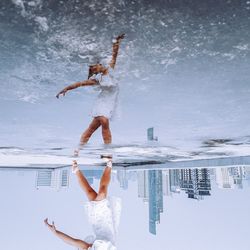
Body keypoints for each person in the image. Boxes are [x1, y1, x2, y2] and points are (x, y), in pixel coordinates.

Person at [56, 34, 125, 150]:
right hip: (102, 102)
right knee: (104, 121)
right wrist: (65, 89)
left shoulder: (110, 69)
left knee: (92, 128)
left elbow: (115, 54)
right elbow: (80, 84)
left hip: (110, 103)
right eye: (95, 67)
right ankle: (108, 149)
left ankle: (79, 148)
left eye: (97, 65)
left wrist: (116, 42)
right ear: (96, 70)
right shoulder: (98, 79)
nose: (98, 66)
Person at [44, 157, 121, 250]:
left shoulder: (90, 248)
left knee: (93, 192)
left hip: (97, 222)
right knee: (97, 192)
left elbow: (73, 242)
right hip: (107, 222)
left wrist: (55, 233)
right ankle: (80, 169)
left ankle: (105, 166)